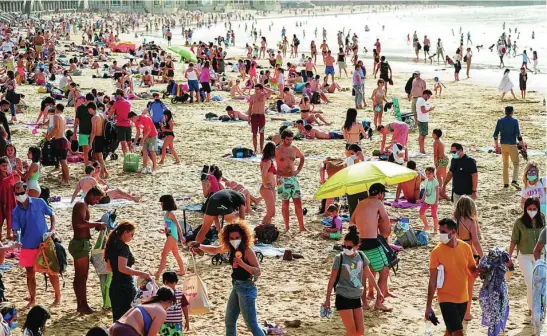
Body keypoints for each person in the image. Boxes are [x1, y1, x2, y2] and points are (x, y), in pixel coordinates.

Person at [190, 223, 265, 336]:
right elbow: (215, 250)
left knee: (251, 324)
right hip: (236, 286)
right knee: (229, 322)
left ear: (243, 237)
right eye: (231, 238)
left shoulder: (248, 251)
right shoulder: (231, 247)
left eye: (237, 238)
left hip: (247, 288)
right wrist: (199, 246)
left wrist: (243, 264)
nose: (234, 240)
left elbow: (258, 272)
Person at [323, 226, 383, 336]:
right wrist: (327, 299)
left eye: (349, 247)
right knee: (351, 332)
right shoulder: (339, 258)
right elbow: (331, 280)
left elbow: (369, 275)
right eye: (343, 246)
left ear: (357, 246)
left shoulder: (361, 255)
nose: (346, 249)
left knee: (359, 331)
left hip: (356, 296)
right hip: (343, 296)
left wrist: (379, 291)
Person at [425, 218, 480, 336]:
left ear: (453, 232)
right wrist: (428, 307)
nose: (441, 235)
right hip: (446, 299)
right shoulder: (436, 252)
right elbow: (432, 280)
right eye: (440, 232)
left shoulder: (466, 248)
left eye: (444, 232)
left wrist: (485, 269)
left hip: (463, 298)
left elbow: (473, 272)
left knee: (450, 332)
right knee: (458, 332)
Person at [12, 182, 60, 307]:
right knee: (30, 274)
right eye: (17, 194)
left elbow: (52, 213)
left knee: (51, 271)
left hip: (43, 243)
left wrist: (52, 229)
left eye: (22, 193)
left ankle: (57, 296)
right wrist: (15, 238)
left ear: (27, 191)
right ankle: (33, 299)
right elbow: (15, 229)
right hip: (27, 245)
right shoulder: (16, 211)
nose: (20, 195)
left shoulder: (39, 202)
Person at [349, 183, 392, 312]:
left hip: (359, 243)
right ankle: (379, 302)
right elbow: (386, 221)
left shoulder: (360, 203)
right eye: (382, 193)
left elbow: (352, 221)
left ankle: (364, 303)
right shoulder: (378, 203)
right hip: (372, 242)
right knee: (384, 271)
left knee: (363, 274)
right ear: (379, 193)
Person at [104, 221, 153, 322]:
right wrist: (141, 273)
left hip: (114, 286)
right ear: (126, 232)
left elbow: (109, 268)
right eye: (132, 234)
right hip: (125, 287)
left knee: (117, 320)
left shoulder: (111, 245)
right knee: (129, 320)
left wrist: (131, 271)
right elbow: (122, 268)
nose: (132, 237)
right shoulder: (123, 247)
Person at [70, 186, 107, 314]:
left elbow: (83, 223)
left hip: (81, 243)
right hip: (80, 244)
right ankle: (83, 305)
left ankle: (80, 304)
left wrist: (97, 223)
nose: (96, 202)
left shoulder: (82, 204)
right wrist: (97, 224)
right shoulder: (81, 204)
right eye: (96, 199)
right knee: (82, 277)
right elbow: (79, 224)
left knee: (80, 276)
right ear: (91, 194)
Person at [508, 197, 545, 313]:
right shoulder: (519, 222)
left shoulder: (542, 220)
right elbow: (514, 240)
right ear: (525, 209)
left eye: (534, 208)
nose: (532, 211)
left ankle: (537, 305)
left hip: (540, 256)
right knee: (530, 281)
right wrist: (508, 257)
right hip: (524, 255)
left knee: (539, 282)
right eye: (530, 209)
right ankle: (532, 307)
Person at [453, 196, 483, 320]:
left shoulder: (454, 220)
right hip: (469, 254)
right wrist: (482, 256)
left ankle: (456, 312)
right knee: (469, 286)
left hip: (455, 254)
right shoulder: (471, 222)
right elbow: (475, 242)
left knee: (456, 285)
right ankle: (466, 313)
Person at [109, 287, 174, 336]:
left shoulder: (143, 305)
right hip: (128, 331)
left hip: (115, 328)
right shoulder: (161, 312)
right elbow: (151, 335)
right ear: (170, 301)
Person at [275, 129, 306, 232]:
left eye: (291, 139)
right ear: (283, 139)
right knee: (285, 203)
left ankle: (301, 227)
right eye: (288, 139)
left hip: (293, 178)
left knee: (298, 202)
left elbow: (302, 157)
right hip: (282, 179)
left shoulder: (294, 149)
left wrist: (298, 170)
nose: (290, 141)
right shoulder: (277, 150)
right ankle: (287, 226)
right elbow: (266, 162)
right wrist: (276, 174)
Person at [494, 105, 525, 189]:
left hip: (503, 145)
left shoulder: (500, 121)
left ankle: (506, 183)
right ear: (512, 112)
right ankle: (514, 181)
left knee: (505, 165)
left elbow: (495, 135)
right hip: (512, 144)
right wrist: (523, 146)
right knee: (516, 163)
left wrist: (497, 146)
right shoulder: (515, 121)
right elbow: (518, 135)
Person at [155, 195, 185, 279]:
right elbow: (169, 226)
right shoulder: (167, 213)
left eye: (162, 202)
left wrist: (181, 236)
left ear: (165, 203)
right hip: (170, 235)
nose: (161, 204)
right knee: (176, 254)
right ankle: (182, 270)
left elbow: (177, 225)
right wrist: (164, 231)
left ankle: (158, 273)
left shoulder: (170, 214)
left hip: (172, 236)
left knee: (164, 254)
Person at [45, 103, 69, 185]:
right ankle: (64, 179)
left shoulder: (56, 116)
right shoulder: (63, 116)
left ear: (57, 108)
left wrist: (49, 136)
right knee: (63, 161)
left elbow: (56, 128)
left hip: (59, 140)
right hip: (63, 139)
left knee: (63, 162)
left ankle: (66, 180)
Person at [248, 84, 274, 154]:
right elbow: (250, 107)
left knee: (262, 133)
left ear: (261, 89)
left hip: (262, 116)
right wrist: (248, 117)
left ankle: (262, 149)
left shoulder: (264, 96)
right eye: (255, 89)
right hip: (254, 116)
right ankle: (255, 149)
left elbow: (272, 91)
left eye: (257, 89)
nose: (256, 91)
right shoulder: (252, 97)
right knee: (254, 134)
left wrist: (264, 87)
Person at [108, 89, 132, 155]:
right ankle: (132, 154)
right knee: (129, 142)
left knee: (123, 142)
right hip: (128, 124)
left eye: (116, 95)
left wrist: (108, 117)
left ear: (119, 95)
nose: (115, 97)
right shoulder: (127, 102)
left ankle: (126, 156)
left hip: (121, 125)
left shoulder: (117, 103)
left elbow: (111, 111)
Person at [88, 102, 109, 178]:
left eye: (88, 110)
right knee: (100, 156)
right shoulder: (102, 114)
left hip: (97, 138)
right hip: (103, 137)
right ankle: (106, 172)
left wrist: (90, 143)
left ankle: (102, 173)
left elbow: (93, 131)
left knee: (99, 157)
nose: (88, 112)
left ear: (91, 109)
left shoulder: (94, 117)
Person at [73, 93, 95, 168]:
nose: (91, 103)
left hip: (92, 132)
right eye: (90, 101)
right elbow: (76, 121)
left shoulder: (93, 107)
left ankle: (94, 165)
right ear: (86, 100)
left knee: (93, 149)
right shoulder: (80, 108)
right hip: (83, 131)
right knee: (85, 150)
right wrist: (74, 133)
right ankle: (86, 166)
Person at [260, 142, 276, 225]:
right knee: (271, 213)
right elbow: (263, 173)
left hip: (270, 188)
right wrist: (265, 184)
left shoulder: (267, 160)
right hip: (267, 188)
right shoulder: (268, 161)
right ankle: (263, 226)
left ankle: (267, 226)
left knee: (271, 213)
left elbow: (271, 173)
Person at [419, 167, 439, 233]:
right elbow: (425, 191)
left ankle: (435, 229)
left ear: (433, 173)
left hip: (433, 201)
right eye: (426, 173)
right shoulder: (426, 180)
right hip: (427, 201)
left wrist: (436, 202)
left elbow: (437, 193)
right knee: (421, 212)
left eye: (429, 173)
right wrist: (422, 199)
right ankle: (426, 225)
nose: (427, 175)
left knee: (434, 215)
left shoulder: (435, 182)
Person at [432, 129, 449, 200]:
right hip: (445, 159)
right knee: (443, 175)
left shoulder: (436, 142)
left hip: (441, 160)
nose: (432, 134)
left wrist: (436, 163)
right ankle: (443, 190)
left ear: (435, 135)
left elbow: (436, 154)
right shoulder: (440, 140)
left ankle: (440, 192)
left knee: (438, 175)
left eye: (432, 133)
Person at [416, 89, 434, 154]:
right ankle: (421, 150)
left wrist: (429, 108)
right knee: (422, 136)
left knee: (423, 136)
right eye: (428, 96)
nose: (428, 98)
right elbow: (423, 111)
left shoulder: (421, 100)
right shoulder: (422, 101)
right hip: (422, 120)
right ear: (425, 94)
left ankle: (422, 149)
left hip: (422, 119)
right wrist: (430, 109)